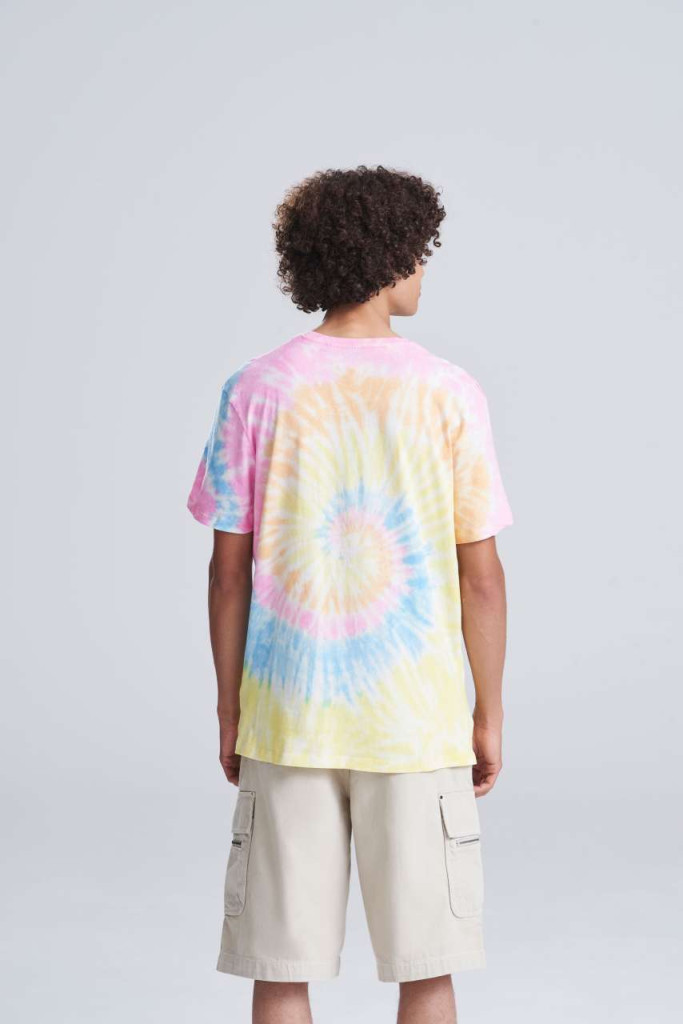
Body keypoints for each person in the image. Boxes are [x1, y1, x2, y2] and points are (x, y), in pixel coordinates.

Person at [187, 164, 513, 1024]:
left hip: (288, 715)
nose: (424, 271)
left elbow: (227, 572)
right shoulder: (447, 391)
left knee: (280, 971)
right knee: (427, 972)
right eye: (420, 253)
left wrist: (231, 709)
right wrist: (486, 712)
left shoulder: (256, 388)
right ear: (389, 255)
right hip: (414, 721)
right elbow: (480, 576)